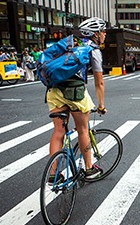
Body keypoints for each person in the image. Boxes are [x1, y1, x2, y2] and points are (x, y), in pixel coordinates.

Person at [46, 17, 107, 183]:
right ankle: (89, 169)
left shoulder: (69, 44)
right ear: (95, 34)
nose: (104, 34)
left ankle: (52, 174)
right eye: (102, 31)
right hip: (75, 93)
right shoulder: (93, 50)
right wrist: (101, 106)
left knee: (59, 131)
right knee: (83, 130)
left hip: (54, 91)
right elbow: (99, 82)